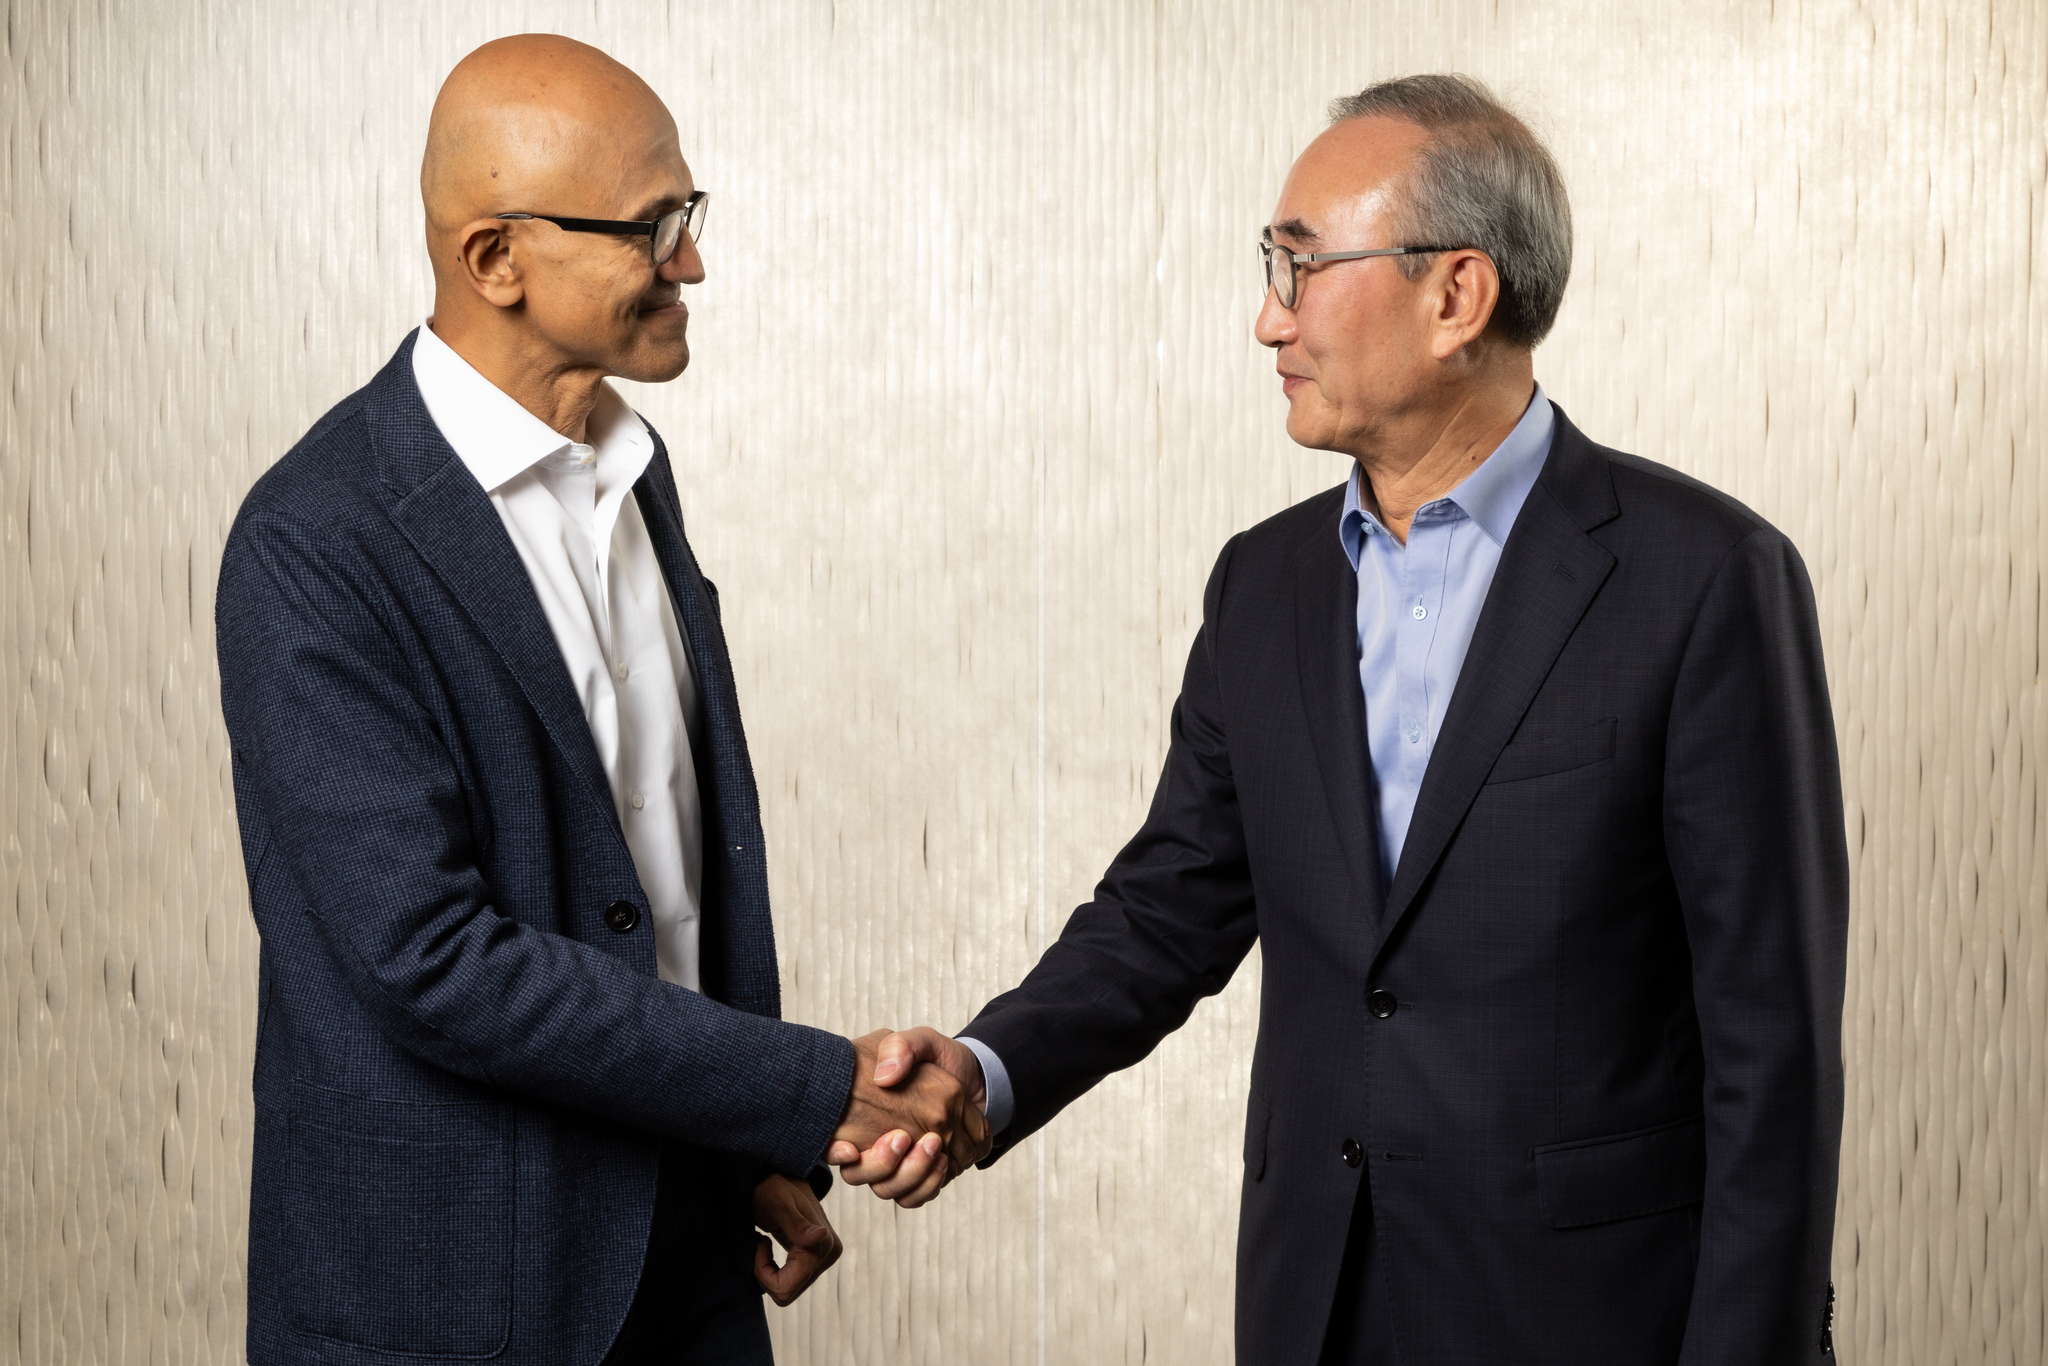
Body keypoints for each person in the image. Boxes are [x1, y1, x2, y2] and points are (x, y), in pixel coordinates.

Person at [838, 74, 1848, 1364]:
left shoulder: (1704, 578)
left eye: (1301, 266)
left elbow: (1774, 1039)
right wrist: (981, 1076)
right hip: (1318, 1300)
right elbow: (1170, 906)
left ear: (1455, 296)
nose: (1269, 319)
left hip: (1596, 1315)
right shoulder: (1263, 587)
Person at [215, 35, 986, 1366]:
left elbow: (653, 889)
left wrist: (736, 1148)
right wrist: (809, 1087)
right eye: (652, 227)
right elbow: (432, 962)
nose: (692, 262)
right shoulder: (313, 543)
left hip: (681, 1260)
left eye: (688, 215)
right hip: (442, 1308)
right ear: (495, 261)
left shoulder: (636, 473)